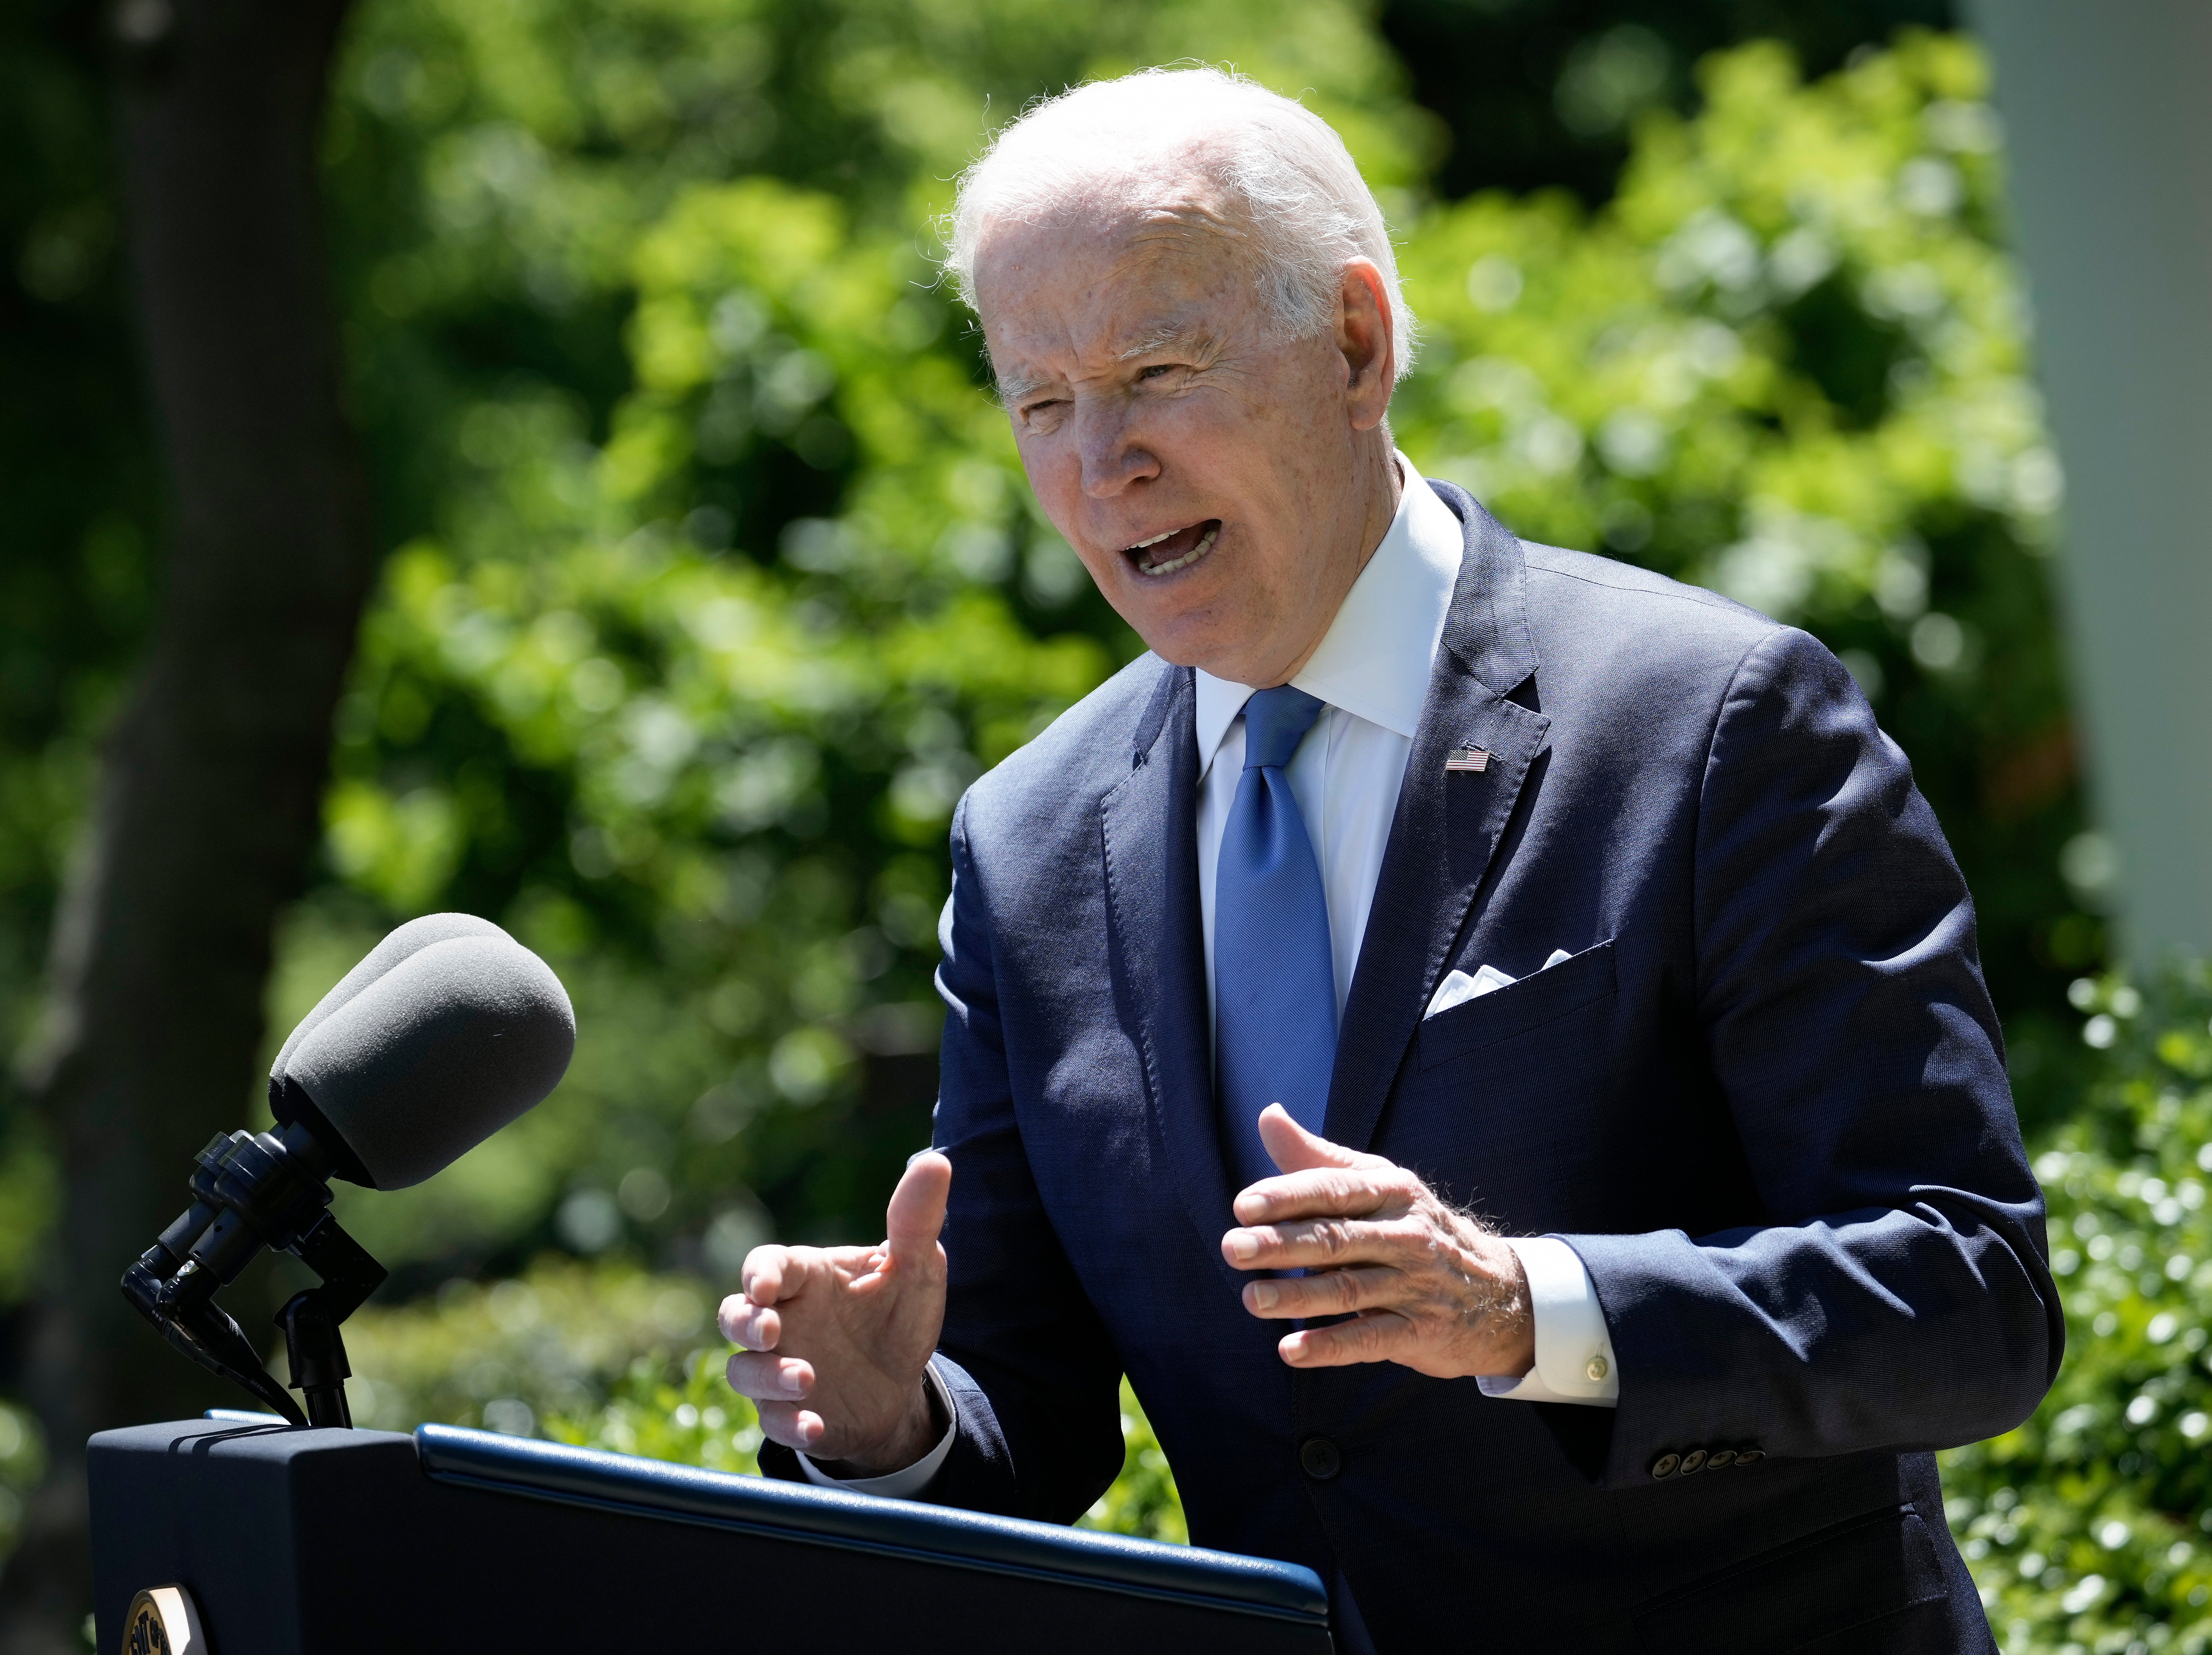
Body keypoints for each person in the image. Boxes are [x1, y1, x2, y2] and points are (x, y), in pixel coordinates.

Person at [718, 66, 2061, 1654]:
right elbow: (1030, 1409)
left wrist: (1521, 1305)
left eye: (1155, 369)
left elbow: (1969, 1293)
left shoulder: (1709, 721)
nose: (1099, 464)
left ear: (1354, 346)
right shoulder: (1025, 843)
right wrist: (885, 1425)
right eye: (1039, 400)